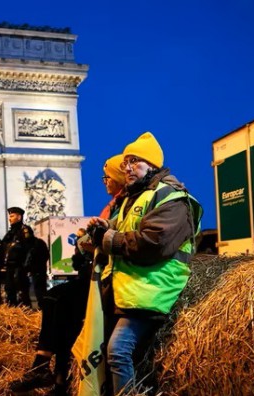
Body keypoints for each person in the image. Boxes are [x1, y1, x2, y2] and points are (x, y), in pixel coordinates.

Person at [87, 132, 202, 395]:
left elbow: (153, 244)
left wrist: (110, 240)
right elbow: (124, 230)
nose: (126, 167)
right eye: (125, 162)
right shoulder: (134, 197)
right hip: (131, 288)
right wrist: (105, 227)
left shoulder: (172, 197)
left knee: (118, 351)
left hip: (154, 287)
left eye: (134, 161)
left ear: (152, 164)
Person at [10, 154, 126, 395]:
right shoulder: (114, 205)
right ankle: (56, 377)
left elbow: (105, 240)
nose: (104, 181)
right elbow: (86, 242)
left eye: (107, 177)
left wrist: (92, 241)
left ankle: (44, 367)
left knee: (56, 300)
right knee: (60, 310)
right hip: (91, 273)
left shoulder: (123, 206)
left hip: (107, 277)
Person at [1, 207, 34, 306]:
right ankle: (13, 312)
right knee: (9, 290)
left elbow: (30, 249)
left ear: (19, 217)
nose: (9, 219)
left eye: (12, 216)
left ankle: (25, 313)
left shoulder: (25, 230)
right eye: (9, 216)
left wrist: (26, 266)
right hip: (9, 267)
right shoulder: (10, 233)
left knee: (21, 292)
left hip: (19, 267)